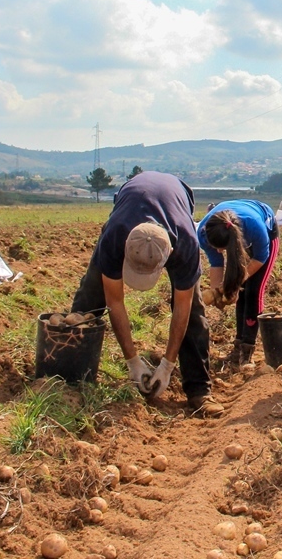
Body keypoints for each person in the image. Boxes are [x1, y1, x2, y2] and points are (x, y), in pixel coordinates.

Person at [70, 171, 223, 417]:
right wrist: (132, 360)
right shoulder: (115, 236)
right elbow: (114, 301)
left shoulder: (185, 244)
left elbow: (182, 308)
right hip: (130, 201)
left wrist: (167, 365)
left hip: (177, 199)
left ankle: (199, 390)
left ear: (168, 255)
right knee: (91, 294)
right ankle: (72, 376)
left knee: (194, 312)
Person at [197, 200, 279, 365]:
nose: (219, 251)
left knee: (253, 291)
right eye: (216, 248)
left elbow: (260, 258)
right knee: (241, 292)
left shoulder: (255, 227)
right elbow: (216, 263)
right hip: (239, 234)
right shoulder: (205, 232)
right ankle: (238, 345)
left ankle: (248, 348)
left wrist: (233, 283)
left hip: (264, 237)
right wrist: (216, 292)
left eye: (222, 248)